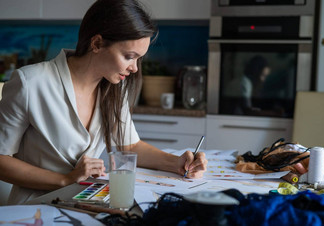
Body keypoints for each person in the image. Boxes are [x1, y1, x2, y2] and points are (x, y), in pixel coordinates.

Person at [0, 0, 207, 204]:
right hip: (34, 210)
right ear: (97, 43)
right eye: (129, 56)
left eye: (138, 59)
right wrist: (65, 179)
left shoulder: (115, 86)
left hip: (85, 203)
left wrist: (178, 163)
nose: (134, 68)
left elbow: (129, 146)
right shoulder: (30, 83)